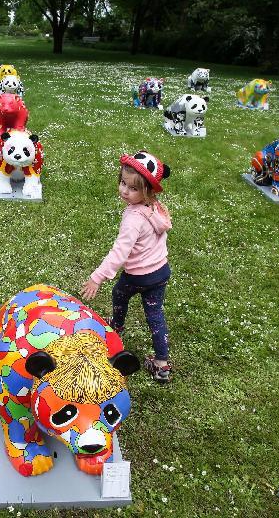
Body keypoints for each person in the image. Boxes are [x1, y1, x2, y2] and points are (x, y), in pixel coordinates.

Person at [80, 151, 173, 383]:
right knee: (155, 315)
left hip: (138, 276)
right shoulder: (156, 207)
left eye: (132, 188)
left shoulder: (133, 219)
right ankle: (162, 364)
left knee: (119, 293)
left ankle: (116, 327)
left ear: (148, 191)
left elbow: (120, 252)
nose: (124, 190)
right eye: (123, 183)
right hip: (160, 272)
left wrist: (97, 277)